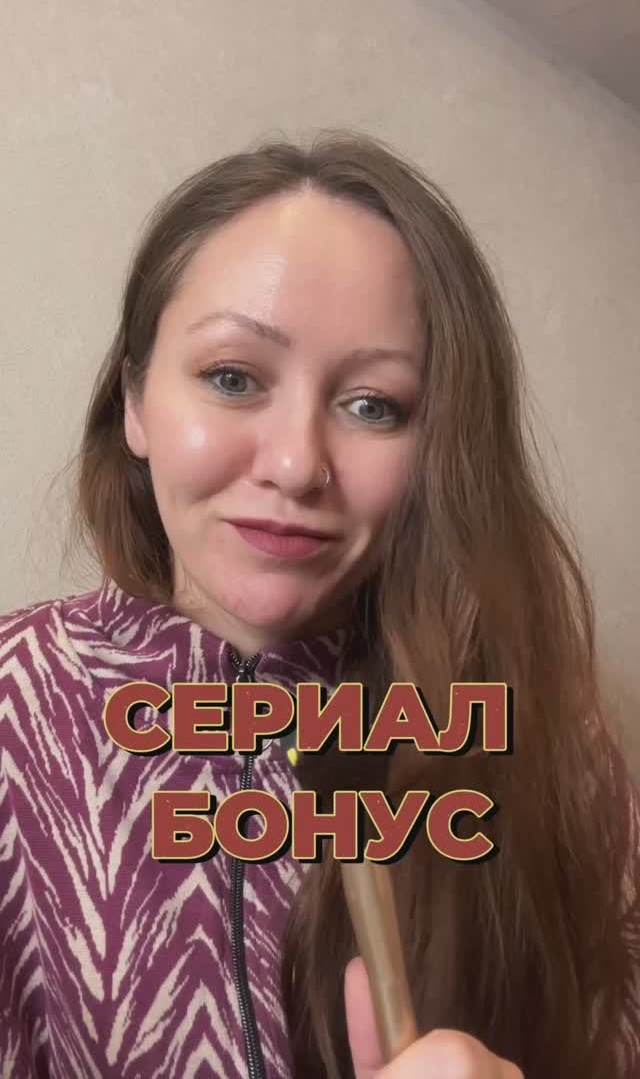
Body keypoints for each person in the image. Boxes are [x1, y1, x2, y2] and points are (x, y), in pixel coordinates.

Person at [0, 130, 638, 1079]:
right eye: (232, 378)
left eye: (375, 405)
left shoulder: (553, 739)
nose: (299, 465)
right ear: (134, 400)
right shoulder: (14, 698)